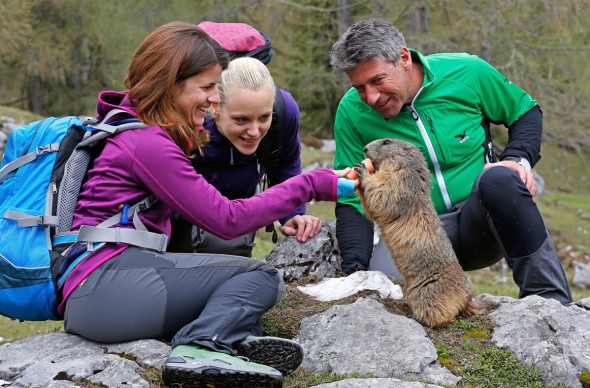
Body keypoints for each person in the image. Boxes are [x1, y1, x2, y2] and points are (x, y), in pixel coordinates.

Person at [59, 21, 355, 388]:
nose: (216, 99)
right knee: (258, 276)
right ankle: (201, 346)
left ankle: (229, 340)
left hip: (104, 287)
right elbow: (227, 220)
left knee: (231, 281)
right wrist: (313, 183)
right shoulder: (149, 144)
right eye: (208, 87)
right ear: (172, 83)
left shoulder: (138, 129)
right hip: (104, 288)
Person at [329, 17, 572, 304]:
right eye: (360, 87)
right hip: (414, 240)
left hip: (481, 224)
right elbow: (351, 197)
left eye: (378, 81)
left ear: (404, 58)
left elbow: (525, 112)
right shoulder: (350, 112)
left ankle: (551, 301)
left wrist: (518, 159)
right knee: (385, 295)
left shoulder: (466, 71)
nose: (371, 97)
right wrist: (355, 273)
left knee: (500, 178)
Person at [167, 21, 321, 257]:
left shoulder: (285, 110)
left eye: (264, 117)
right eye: (241, 120)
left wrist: (293, 213)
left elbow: (285, 164)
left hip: (239, 218)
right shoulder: (185, 119)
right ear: (215, 107)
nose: (254, 131)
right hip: (175, 214)